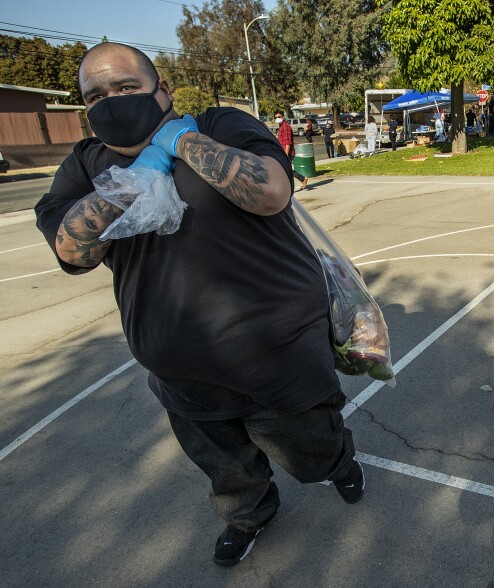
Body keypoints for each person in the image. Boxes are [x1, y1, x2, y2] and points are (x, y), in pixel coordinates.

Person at [34, 42, 363, 567]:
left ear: (161, 90)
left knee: (311, 452)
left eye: (125, 88)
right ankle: (249, 516)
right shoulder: (85, 164)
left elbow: (273, 192)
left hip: (277, 353)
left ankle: (338, 461)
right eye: (96, 96)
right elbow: (72, 251)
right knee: (228, 470)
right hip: (180, 369)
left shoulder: (220, 125)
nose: (112, 102)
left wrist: (180, 142)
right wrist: (137, 175)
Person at [275, 112, 308, 190]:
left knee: (285, 170)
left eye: (279, 116)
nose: (277, 119)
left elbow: (288, 142)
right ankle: (302, 179)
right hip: (283, 152)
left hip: (287, 152)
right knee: (286, 169)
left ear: (283, 117)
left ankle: (294, 184)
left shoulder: (285, 127)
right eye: (275, 117)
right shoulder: (281, 127)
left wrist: (285, 154)